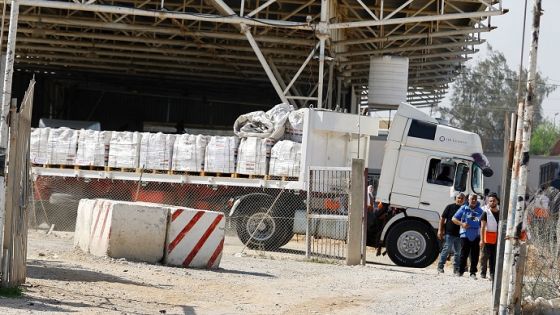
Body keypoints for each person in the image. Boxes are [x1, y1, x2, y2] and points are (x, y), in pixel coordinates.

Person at [452, 193, 483, 279]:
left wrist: (470, 219)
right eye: (472, 199)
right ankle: (460, 271)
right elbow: (453, 219)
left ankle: (473, 272)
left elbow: (479, 222)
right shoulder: (463, 208)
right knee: (463, 254)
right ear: (468, 200)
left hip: (476, 235)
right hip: (465, 235)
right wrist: (462, 224)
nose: (473, 201)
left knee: (475, 255)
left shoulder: (480, 211)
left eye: (475, 199)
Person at [437, 192, 465, 275]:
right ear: (456, 198)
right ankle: (440, 267)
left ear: (464, 200)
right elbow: (442, 219)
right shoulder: (449, 207)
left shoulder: (465, 209)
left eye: (462, 198)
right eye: (458, 198)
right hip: (449, 233)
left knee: (458, 252)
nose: (460, 200)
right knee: (446, 250)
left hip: (460, 234)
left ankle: (456, 269)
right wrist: (440, 230)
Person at [479, 193, 500, 280]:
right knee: (484, 256)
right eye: (490, 201)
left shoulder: (501, 213)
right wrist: (481, 240)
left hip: (497, 238)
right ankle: (483, 273)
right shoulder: (485, 213)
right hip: (487, 238)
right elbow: (482, 227)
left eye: (493, 201)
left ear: (497, 201)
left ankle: (492, 274)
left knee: (494, 257)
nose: (492, 202)